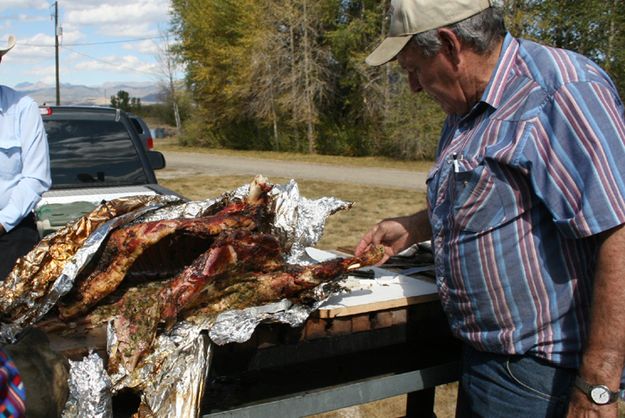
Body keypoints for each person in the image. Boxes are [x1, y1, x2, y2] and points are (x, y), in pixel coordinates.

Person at [356, 0, 625, 416]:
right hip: (488, 360)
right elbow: (498, 199)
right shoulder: (468, 109)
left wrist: (596, 387)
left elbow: (618, 233)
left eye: (413, 69)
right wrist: (415, 226)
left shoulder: (559, 91)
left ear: (449, 45)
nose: (412, 85)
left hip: (542, 374)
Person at [0, 35, 51, 281]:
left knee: (13, 313)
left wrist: (2, 222)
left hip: (11, 231)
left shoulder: (23, 108)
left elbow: (35, 177)